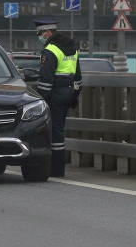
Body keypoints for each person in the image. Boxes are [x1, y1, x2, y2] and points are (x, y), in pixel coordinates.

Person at [34, 19, 82, 177]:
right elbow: (78, 78)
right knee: (59, 131)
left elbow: (46, 80)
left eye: (40, 34)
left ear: (47, 32)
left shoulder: (50, 50)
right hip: (67, 94)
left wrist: (41, 100)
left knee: (53, 132)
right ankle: (59, 168)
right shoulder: (73, 48)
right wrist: (74, 96)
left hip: (54, 95)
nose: (39, 37)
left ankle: (54, 169)